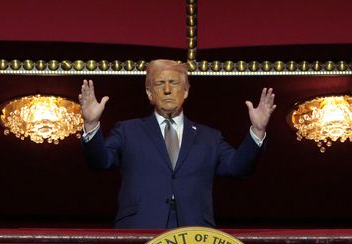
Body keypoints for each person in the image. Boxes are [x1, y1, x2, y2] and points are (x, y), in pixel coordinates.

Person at [79, 59, 276, 229]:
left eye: (173, 83)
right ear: (149, 93)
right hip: (141, 230)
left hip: (194, 233)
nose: (167, 90)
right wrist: (91, 124)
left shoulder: (210, 138)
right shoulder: (128, 131)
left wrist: (257, 131)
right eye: (159, 84)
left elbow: (237, 168)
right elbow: (101, 162)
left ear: (186, 91)